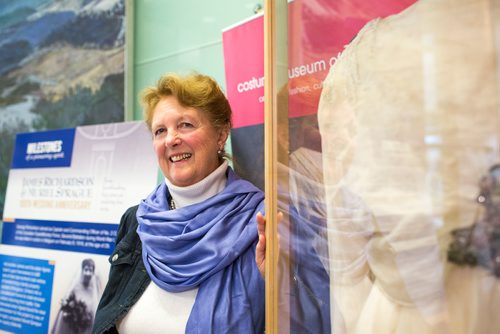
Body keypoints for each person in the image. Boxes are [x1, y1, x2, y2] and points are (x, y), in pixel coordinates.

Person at [92, 72, 266, 334]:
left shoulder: (259, 223)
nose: (171, 139)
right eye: (160, 130)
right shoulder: (137, 220)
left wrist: (277, 284)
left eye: (185, 125)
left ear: (221, 135)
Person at [52, 258, 102, 334]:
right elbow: (65, 310)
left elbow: (93, 312)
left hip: (86, 328)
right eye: (86, 269)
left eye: (90, 270)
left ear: (93, 272)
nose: (88, 273)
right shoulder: (75, 288)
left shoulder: (94, 292)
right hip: (71, 327)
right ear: (82, 271)